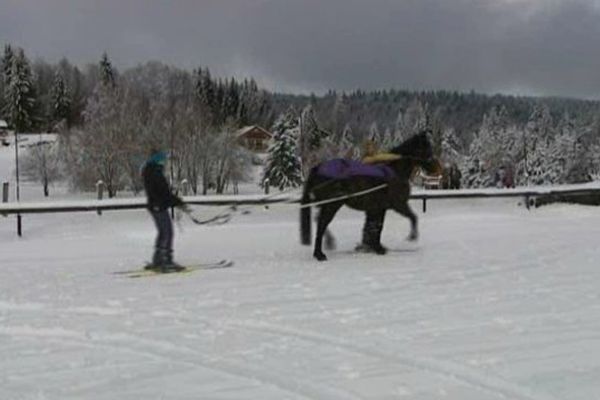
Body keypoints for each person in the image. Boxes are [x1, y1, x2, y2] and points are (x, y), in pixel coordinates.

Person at [142, 148, 188, 271]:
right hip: (158, 206)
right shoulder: (155, 173)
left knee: (163, 232)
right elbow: (163, 192)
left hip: (156, 205)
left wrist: (174, 201)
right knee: (167, 232)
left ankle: (158, 259)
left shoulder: (150, 170)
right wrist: (176, 201)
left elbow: (162, 192)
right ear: (158, 160)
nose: (165, 162)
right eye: (163, 160)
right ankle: (165, 260)